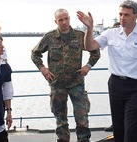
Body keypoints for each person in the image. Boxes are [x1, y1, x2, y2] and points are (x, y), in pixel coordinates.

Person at [77, 0, 137, 142]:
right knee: (118, 129)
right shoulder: (111, 33)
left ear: (136, 16)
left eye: (126, 15)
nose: (122, 18)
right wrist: (89, 28)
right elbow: (90, 46)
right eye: (120, 14)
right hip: (115, 84)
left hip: (136, 87)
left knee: (131, 129)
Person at [31, 8, 101, 142]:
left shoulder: (80, 36)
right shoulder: (50, 37)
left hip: (77, 83)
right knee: (60, 120)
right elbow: (35, 54)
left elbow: (95, 52)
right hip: (57, 84)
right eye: (60, 20)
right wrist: (43, 69)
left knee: (82, 118)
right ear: (55, 21)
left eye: (66, 19)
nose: (64, 22)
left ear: (69, 18)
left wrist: (88, 66)